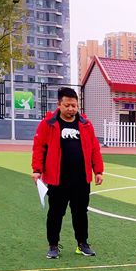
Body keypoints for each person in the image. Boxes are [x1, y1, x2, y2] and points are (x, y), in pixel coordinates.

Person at [31, 86, 104, 259]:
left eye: (74, 105)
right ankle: (53, 245)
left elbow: (94, 148)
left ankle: (82, 244)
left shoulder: (85, 124)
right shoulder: (48, 124)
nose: (71, 108)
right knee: (55, 214)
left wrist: (98, 171)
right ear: (59, 104)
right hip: (58, 180)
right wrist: (37, 170)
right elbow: (39, 147)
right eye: (67, 105)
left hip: (81, 179)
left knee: (80, 213)